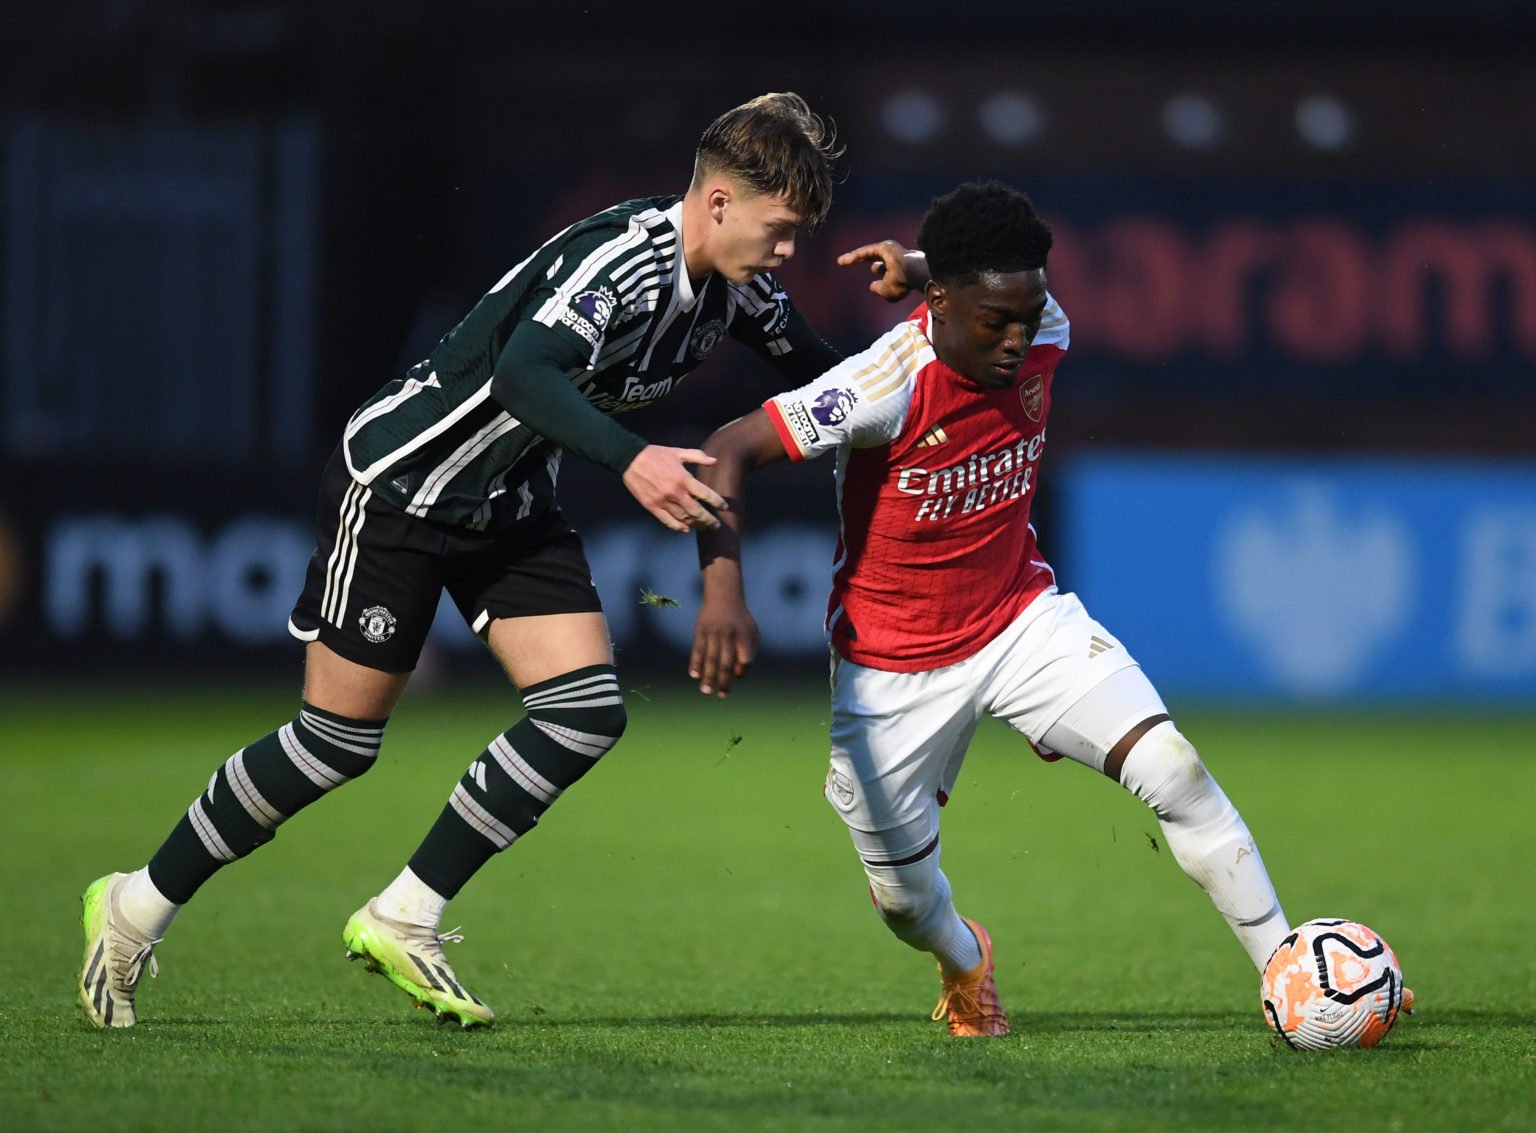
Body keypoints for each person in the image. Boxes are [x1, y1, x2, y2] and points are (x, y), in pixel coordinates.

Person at [78, 92, 904, 1030]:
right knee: (335, 746)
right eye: (782, 229)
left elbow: (829, 379)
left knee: (584, 712)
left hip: (505, 503)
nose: (790, 251)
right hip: (400, 487)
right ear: (717, 203)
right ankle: (135, 903)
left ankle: (407, 912)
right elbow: (522, 374)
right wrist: (630, 457)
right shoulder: (621, 265)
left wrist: (927, 321)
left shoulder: (739, 290)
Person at [688, 180, 1298, 1037]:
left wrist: (918, 259)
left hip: (1020, 619)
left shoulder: (1040, 320)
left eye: (1028, 313)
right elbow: (726, 448)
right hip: (891, 665)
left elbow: (997, 283)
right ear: (939, 305)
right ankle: (964, 956)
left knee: (1175, 770)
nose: (1018, 340)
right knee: (903, 902)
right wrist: (722, 593)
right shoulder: (882, 384)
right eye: (993, 322)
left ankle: (1292, 974)